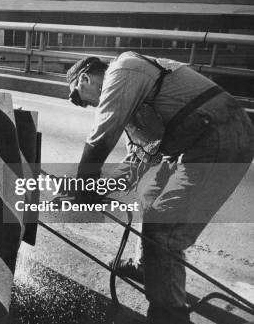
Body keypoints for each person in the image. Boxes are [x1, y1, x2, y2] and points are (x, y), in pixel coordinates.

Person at [65, 51, 254, 323]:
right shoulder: (134, 97)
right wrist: (91, 188)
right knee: (148, 191)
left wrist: (84, 183)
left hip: (219, 135)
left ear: (84, 79)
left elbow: (101, 135)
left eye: (76, 97)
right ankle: (146, 266)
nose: (84, 105)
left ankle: (169, 316)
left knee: (163, 231)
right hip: (194, 136)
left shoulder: (123, 70)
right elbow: (139, 161)